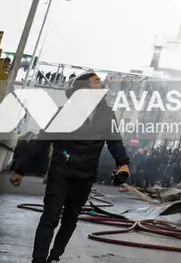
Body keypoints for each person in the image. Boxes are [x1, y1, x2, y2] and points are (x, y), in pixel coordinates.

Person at [9, 71, 131, 263]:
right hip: (61, 174)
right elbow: (41, 142)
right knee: (50, 217)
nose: (101, 83)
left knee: (70, 219)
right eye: (96, 81)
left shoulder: (107, 114)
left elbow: (115, 143)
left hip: (85, 176)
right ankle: (39, 260)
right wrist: (20, 169)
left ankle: (55, 257)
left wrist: (123, 163)